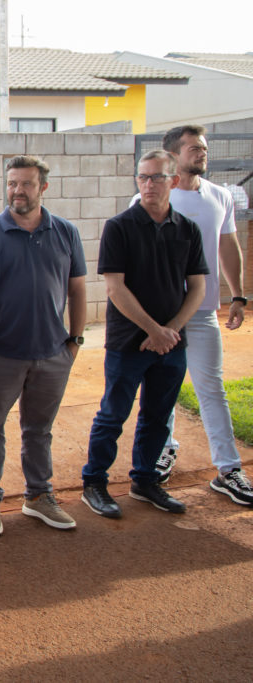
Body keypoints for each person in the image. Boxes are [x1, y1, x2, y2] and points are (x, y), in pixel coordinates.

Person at [81, 151, 208, 518]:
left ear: (174, 181)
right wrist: (154, 330)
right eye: (143, 177)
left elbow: (196, 287)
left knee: (158, 414)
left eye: (156, 177)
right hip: (128, 343)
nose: (149, 184)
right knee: (113, 414)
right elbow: (115, 289)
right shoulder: (119, 227)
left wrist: (171, 332)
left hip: (170, 344)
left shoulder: (188, 229)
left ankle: (145, 480)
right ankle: (95, 482)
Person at [0, 155, 86, 536]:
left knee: (39, 430)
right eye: (12, 183)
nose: (17, 190)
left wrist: (74, 342)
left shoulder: (66, 232)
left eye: (26, 184)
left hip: (53, 353)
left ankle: (38, 496)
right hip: (1, 354)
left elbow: (78, 288)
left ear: (43, 188)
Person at [142, 125, 250, 505]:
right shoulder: (151, 198)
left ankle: (229, 469)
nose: (201, 153)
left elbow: (229, 245)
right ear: (173, 157)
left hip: (203, 315)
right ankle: (164, 450)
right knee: (162, 390)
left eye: (203, 148)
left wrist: (237, 294)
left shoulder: (220, 196)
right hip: (160, 317)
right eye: (193, 148)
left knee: (212, 389)